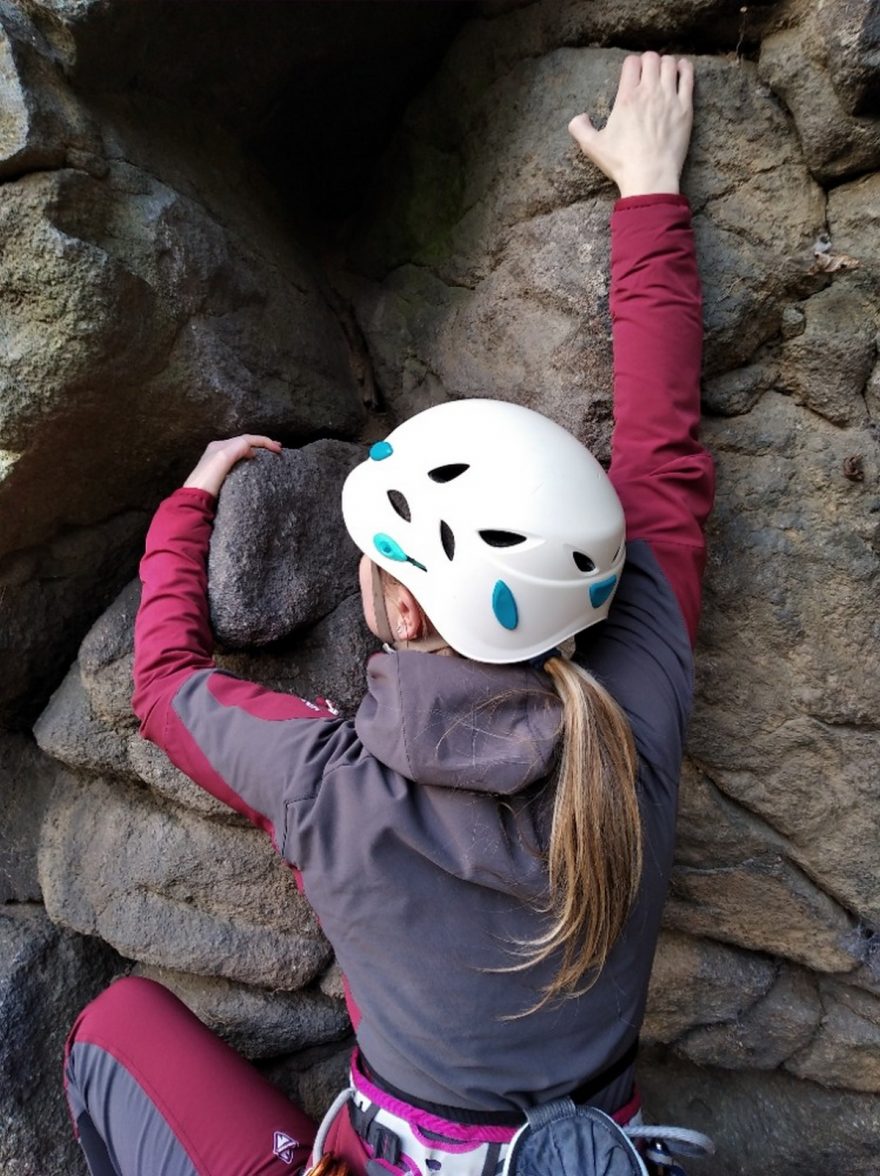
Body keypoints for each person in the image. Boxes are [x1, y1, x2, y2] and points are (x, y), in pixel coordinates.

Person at [63, 52, 714, 1176]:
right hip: (593, 1153)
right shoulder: (636, 717)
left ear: (400, 610)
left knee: (109, 1030)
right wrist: (649, 192)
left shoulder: (322, 782)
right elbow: (663, 464)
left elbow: (163, 685)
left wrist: (189, 505)